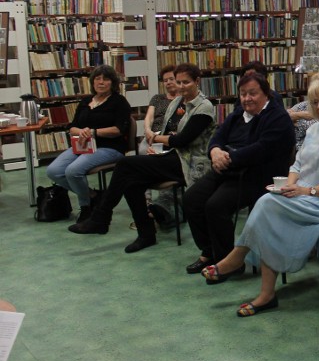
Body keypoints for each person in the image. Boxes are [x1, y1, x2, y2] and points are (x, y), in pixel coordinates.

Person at [200, 77, 319, 315]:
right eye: (314, 102)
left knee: (268, 204)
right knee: (271, 207)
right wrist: (289, 187)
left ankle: (239, 258)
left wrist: (304, 190)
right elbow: (297, 165)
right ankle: (264, 292)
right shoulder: (314, 129)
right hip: (306, 195)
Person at [68, 64, 217, 254]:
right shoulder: (177, 102)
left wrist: (154, 138)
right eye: (178, 82)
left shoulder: (204, 107)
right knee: (131, 181)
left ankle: (101, 218)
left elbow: (181, 140)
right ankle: (145, 233)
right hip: (172, 157)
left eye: (186, 82)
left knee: (125, 165)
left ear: (197, 81)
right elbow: (169, 135)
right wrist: (157, 147)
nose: (181, 86)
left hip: (192, 163)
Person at [183, 73, 295, 274]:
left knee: (215, 206)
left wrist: (226, 158)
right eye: (243, 94)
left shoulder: (278, 117)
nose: (246, 98)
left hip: (257, 174)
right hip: (228, 168)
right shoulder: (237, 114)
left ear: (266, 94)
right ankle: (209, 252)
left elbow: (261, 149)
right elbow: (217, 137)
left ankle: (229, 263)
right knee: (191, 199)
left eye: (252, 93)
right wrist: (215, 151)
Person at [46, 65, 131, 222]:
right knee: (53, 170)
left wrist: (93, 132)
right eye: (97, 79)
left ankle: (86, 207)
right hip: (82, 145)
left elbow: (119, 129)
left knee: (73, 171)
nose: (101, 82)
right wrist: (81, 132)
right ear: (92, 82)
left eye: (105, 79)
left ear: (112, 83)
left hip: (109, 147)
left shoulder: (119, 102)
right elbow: (72, 127)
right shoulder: (85, 101)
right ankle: (93, 195)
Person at [139, 65, 182, 228]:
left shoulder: (183, 100)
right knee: (143, 151)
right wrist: (148, 131)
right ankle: (146, 202)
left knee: (165, 155)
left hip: (170, 136)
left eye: (171, 79)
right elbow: (149, 117)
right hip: (153, 134)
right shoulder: (157, 98)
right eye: (165, 80)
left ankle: (166, 201)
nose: (169, 83)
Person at [287, 69, 319, 151]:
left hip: (317, 151)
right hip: (296, 150)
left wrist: (296, 121)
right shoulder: (303, 105)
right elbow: (284, 117)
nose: (318, 89)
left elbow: (318, 129)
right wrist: (300, 115)